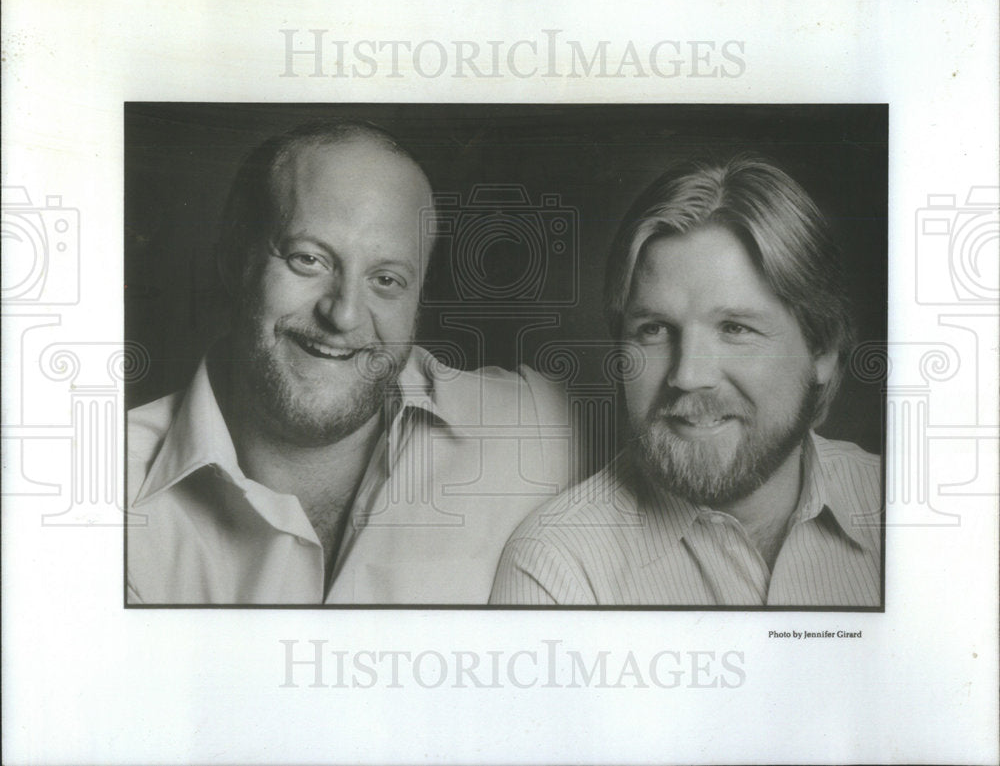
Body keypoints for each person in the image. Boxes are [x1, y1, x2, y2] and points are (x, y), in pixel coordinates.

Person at [127, 120, 576, 604]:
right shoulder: (106, 504)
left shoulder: (538, 427)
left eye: (386, 280)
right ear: (237, 260)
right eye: (309, 260)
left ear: (419, 299)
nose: (342, 315)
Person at [490, 154, 882, 607]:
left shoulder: (907, 514)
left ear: (823, 350)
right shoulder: (557, 570)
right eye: (654, 330)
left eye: (735, 329)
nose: (687, 375)